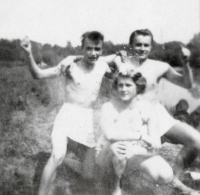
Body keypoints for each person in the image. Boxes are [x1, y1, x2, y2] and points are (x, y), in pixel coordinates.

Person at [21, 31, 117, 195]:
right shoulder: (70, 66)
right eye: (89, 49)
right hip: (67, 115)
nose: (93, 53)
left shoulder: (102, 66)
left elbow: (117, 59)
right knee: (57, 155)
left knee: (88, 174)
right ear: (82, 48)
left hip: (87, 119)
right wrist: (29, 53)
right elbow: (38, 74)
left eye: (97, 49)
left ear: (101, 49)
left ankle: (67, 160)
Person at [111, 29, 200, 182]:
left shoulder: (160, 66)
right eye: (138, 44)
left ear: (151, 46)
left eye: (146, 45)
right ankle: (125, 179)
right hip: (134, 117)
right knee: (132, 153)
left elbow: (186, 83)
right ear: (130, 45)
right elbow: (94, 59)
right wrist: (70, 59)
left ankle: (175, 178)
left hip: (157, 114)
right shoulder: (123, 61)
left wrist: (185, 62)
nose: (142, 49)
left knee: (196, 141)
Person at [96, 71, 199, 195]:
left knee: (165, 175)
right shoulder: (109, 107)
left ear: (138, 88)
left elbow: (155, 147)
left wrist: (134, 151)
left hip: (134, 152)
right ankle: (116, 188)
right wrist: (142, 136)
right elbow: (110, 135)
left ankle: (128, 177)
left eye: (128, 85)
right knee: (118, 149)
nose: (123, 89)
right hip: (108, 152)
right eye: (120, 85)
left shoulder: (147, 109)